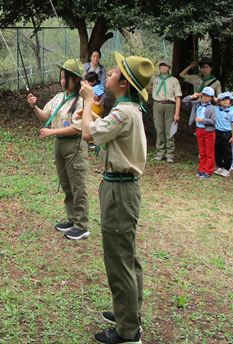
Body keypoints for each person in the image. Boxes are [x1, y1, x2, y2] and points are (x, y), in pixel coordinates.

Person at [78, 53, 154, 344]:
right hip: (122, 189)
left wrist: (87, 101)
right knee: (127, 255)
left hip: (119, 192)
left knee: (119, 259)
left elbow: (88, 134)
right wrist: (93, 116)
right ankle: (128, 312)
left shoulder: (124, 113)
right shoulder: (127, 110)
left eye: (115, 72)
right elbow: (104, 129)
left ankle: (127, 331)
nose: (109, 72)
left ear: (123, 84)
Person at [27, 59, 89, 241]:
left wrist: (52, 132)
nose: (62, 81)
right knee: (66, 184)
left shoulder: (81, 101)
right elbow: (45, 115)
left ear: (75, 80)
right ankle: (72, 219)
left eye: (66, 78)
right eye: (61, 77)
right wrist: (34, 106)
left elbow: (78, 128)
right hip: (59, 145)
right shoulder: (58, 97)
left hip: (74, 145)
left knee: (78, 185)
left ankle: (82, 225)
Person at [150, 60, 182, 163]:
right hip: (157, 105)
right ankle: (160, 152)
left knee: (169, 130)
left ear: (169, 68)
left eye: (165, 66)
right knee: (159, 129)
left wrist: (177, 113)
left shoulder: (174, 80)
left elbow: (178, 97)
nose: (163, 67)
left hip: (170, 105)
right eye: (161, 66)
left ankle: (170, 154)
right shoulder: (154, 79)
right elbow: (146, 85)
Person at [185, 86, 218, 178]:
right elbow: (185, 101)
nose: (205, 97)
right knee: (202, 151)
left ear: (211, 98)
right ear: (201, 95)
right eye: (204, 95)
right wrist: (193, 96)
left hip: (209, 131)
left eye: (208, 96)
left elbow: (214, 121)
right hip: (199, 130)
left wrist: (202, 120)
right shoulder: (197, 104)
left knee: (209, 152)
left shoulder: (213, 108)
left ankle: (208, 171)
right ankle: (201, 169)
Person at [213, 92, 233, 177]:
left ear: (230, 101)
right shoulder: (216, 109)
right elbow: (213, 99)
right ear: (219, 102)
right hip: (217, 132)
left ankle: (226, 169)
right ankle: (219, 166)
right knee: (218, 150)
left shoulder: (232, 111)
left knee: (227, 151)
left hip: (227, 133)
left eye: (227, 99)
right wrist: (217, 100)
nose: (225, 101)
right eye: (223, 99)